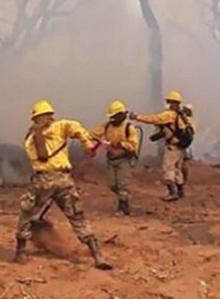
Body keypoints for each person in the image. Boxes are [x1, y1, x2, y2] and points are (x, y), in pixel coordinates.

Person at [14, 100, 113, 270]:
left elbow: (35, 160)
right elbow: (78, 129)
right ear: (51, 115)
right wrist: (88, 145)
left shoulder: (30, 138)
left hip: (43, 180)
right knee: (76, 216)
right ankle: (97, 256)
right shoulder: (61, 126)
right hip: (64, 180)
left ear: (35, 118)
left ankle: (20, 253)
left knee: (27, 213)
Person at [129, 91, 194, 201]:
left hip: (173, 147)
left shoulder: (169, 115)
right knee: (177, 169)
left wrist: (137, 117)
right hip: (181, 147)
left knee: (168, 168)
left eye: (168, 101)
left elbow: (154, 119)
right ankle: (180, 191)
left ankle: (172, 193)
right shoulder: (182, 116)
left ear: (172, 103)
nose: (167, 103)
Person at [90, 100, 140, 216]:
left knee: (122, 185)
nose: (113, 119)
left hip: (123, 159)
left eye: (114, 117)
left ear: (121, 115)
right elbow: (93, 133)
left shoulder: (129, 128)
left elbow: (133, 145)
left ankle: (123, 207)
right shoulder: (107, 126)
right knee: (112, 185)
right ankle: (124, 199)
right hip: (111, 159)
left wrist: (121, 144)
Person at [180, 103, 196, 193]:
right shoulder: (183, 120)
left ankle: (182, 182)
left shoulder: (189, 121)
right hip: (184, 144)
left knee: (183, 164)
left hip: (186, 145)